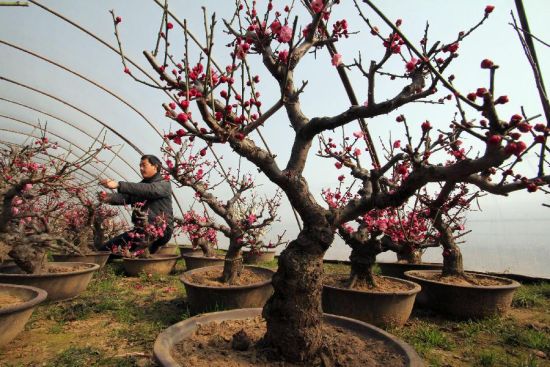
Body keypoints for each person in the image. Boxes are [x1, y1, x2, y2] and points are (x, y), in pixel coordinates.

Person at [98, 154, 173, 254]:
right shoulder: (142, 186)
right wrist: (107, 197)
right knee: (106, 250)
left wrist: (118, 185)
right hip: (142, 230)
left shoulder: (164, 184)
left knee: (132, 254)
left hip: (160, 231)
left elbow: (151, 190)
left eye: (144, 165)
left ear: (155, 166)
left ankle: (140, 255)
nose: (141, 168)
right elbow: (126, 197)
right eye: (140, 166)